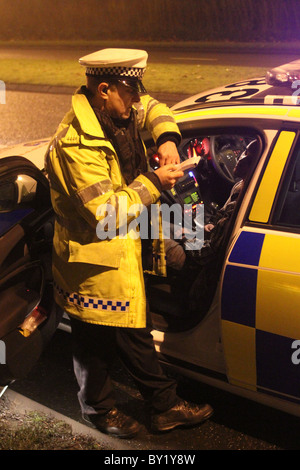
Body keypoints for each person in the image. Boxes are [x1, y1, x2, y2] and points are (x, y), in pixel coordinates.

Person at [45, 48, 213, 439]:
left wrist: (168, 137)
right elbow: (106, 213)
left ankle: (159, 405)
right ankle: (104, 410)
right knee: (99, 336)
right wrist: (154, 182)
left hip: (122, 248)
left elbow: (154, 107)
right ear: (105, 89)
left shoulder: (116, 109)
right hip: (93, 258)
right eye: (130, 92)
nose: (138, 100)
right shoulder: (75, 143)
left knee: (122, 328)